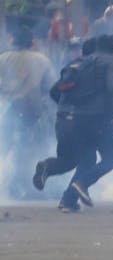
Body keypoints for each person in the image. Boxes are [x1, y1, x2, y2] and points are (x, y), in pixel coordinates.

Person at [57, 35, 113, 212]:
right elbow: (112, 89)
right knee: (111, 159)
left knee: (87, 160)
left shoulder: (85, 61)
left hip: (77, 118)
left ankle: (68, 201)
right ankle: (81, 183)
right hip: (99, 118)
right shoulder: (111, 61)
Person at [32, 38, 97, 195]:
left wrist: (64, 108)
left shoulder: (72, 66)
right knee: (89, 158)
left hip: (62, 120)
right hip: (80, 121)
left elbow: (54, 91)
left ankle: (46, 166)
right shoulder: (94, 68)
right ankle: (71, 196)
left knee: (68, 160)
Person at [0, 27, 56, 198]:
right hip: (33, 112)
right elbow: (52, 88)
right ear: (32, 42)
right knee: (34, 148)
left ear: (12, 40)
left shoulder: (3, 58)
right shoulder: (42, 60)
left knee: (6, 146)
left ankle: (10, 183)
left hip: (9, 110)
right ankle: (22, 184)